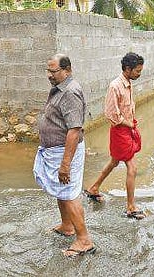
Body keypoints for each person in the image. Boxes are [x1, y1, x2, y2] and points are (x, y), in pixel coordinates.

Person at [33, 54, 95, 257]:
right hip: (55, 150)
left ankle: (84, 240)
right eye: (48, 71)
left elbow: (74, 130)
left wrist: (65, 164)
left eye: (53, 71)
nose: (49, 75)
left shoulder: (70, 91)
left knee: (68, 193)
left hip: (65, 151)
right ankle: (67, 226)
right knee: (62, 191)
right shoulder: (60, 88)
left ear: (67, 69)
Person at [84, 52, 145, 220]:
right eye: (137, 71)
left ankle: (94, 188)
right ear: (127, 69)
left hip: (127, 130)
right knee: (132, 168)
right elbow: (111, 115)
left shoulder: (128, 83)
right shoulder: (115, 86)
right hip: (120, 131)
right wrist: (129, 124)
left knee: (114, 162)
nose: (139, 74)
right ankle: (131, 206)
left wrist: (131, 124)